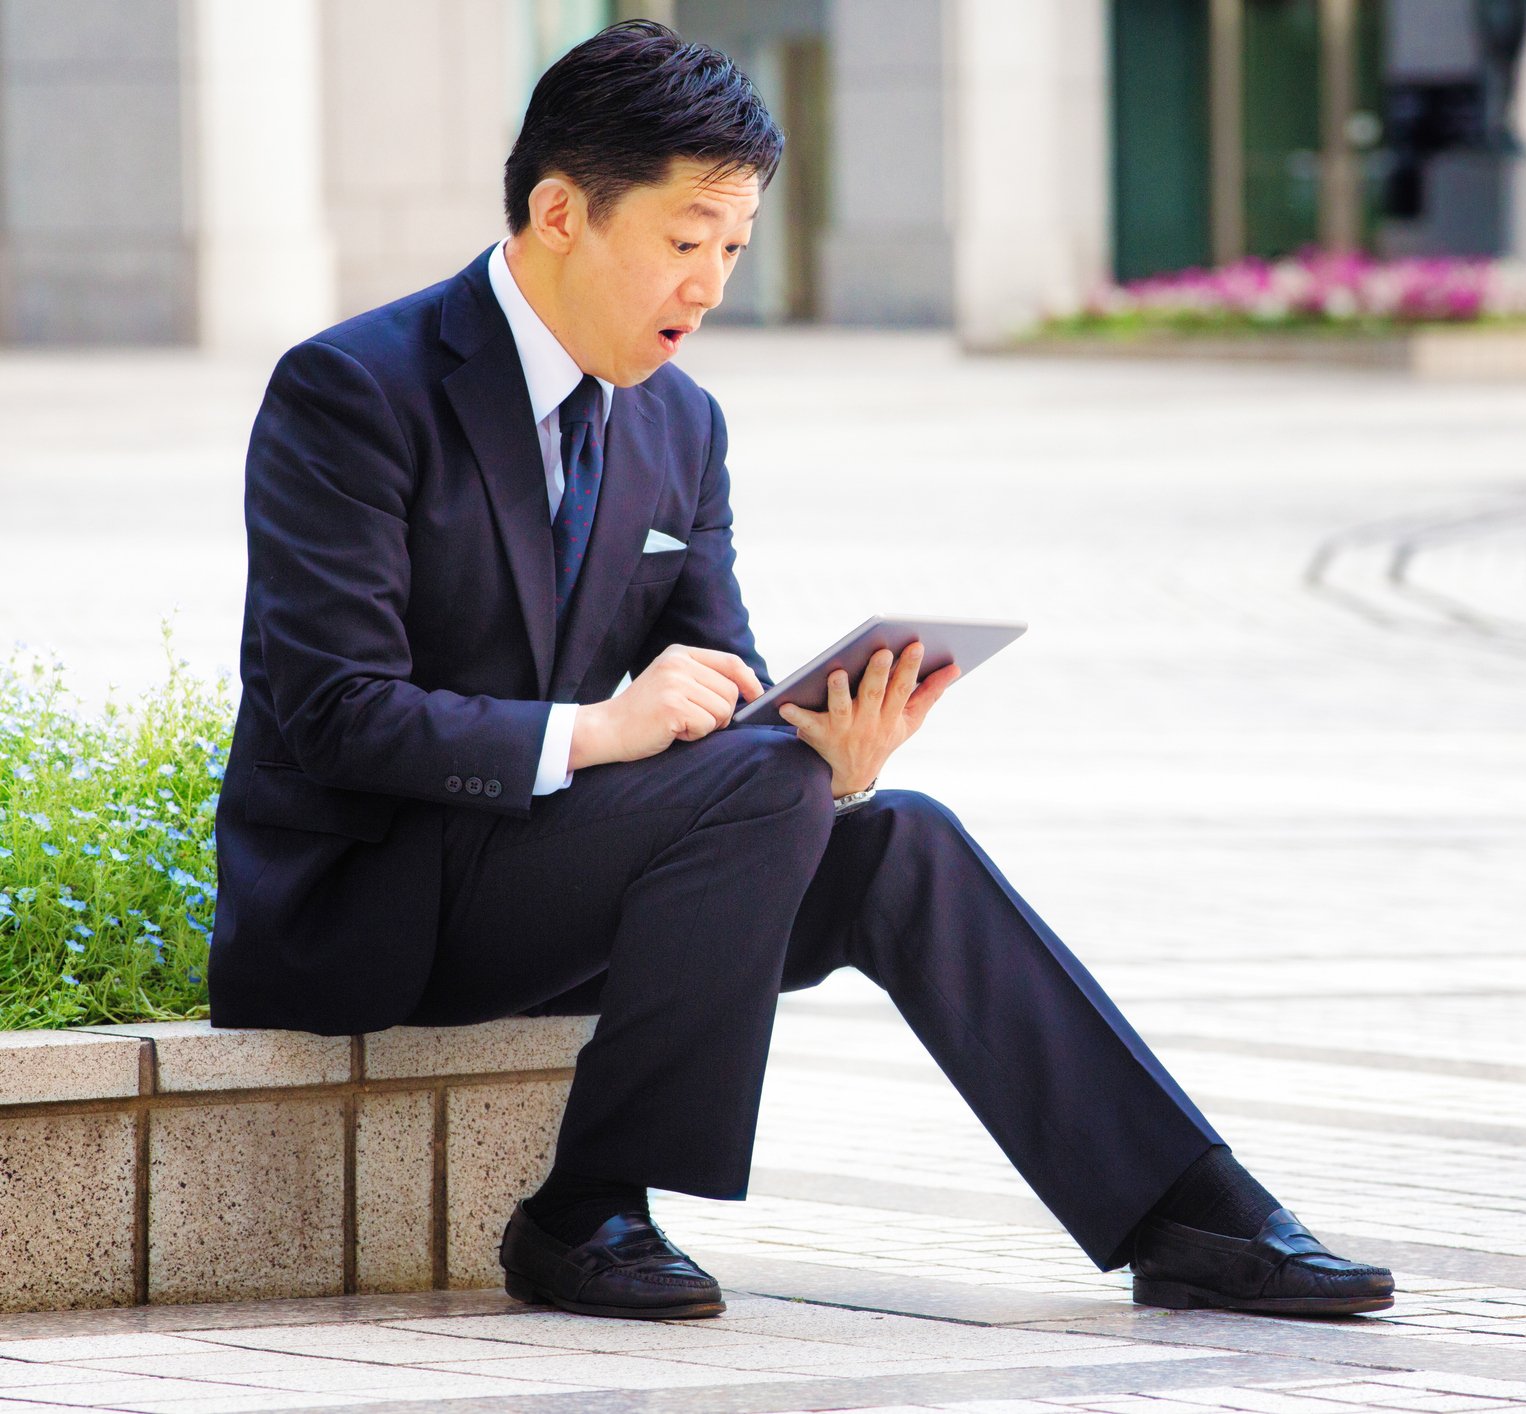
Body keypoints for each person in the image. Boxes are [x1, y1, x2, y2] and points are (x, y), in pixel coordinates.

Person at [208, 19, 1393, 1322]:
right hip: (374, 903)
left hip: (578, 880)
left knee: (900, 840)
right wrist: (600, 730)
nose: (708, 283)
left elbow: (727, 680)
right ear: (558, 211)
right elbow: (333, 715)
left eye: (733, 246)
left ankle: (1185, 1211)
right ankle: (587, 1203)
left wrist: (832, 753)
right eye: (684, 239)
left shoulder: (679, 419)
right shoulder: (355, 390)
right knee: (772, 784)